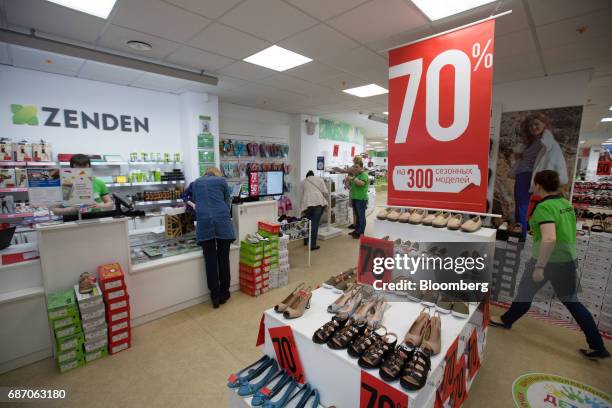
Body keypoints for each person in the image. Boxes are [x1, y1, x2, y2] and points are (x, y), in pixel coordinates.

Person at [490, 170, 610, 359]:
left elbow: (550, 238)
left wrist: (540, 267)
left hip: (546, 261)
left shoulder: (544, 207)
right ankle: (597, 346)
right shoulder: (565, 204)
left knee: (524, 294)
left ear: (538, 185)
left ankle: (505, 320)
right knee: (573, 303)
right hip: (566, 261)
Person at [183, 167, 235, 309]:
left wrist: (195, 206)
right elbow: (227, 202)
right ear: (216, 173)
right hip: (222, 222)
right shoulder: (222, 182)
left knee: (210, 260)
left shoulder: (195, 183)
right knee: (223, 258)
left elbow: (184, 196)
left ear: (205, 173)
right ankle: (225, 292)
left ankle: (215, 296)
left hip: (204, 222)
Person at [510, 120, 543, 240]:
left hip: (526, 176)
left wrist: (521, 154)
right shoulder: (529, 144)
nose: (522, 137)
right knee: (520, 204)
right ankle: (518, 233)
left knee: (522, 205)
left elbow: (528, 158)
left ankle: (521, 236)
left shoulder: (537, 143)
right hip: (522, 175)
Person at [300, 170, 328, 250]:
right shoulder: (319, 179)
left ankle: (305, 241)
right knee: (315, 224)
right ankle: (312, 245)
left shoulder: (303, 182)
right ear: (313, 175)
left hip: (307, 204)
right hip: (318, 203)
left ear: (307, 176)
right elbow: (325, 192)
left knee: (306, 223)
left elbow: (301, 194)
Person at [348, 159, 369, 239]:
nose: (355, 169)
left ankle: (361, 233)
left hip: (361, 199)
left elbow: (361, 184)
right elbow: (351, 186)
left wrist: (354, 179)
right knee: (357, 216)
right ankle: (356, 230)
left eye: (357, 167)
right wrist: (348, 181)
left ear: (361, 167)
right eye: (354, 167)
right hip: (355, 198)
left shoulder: (363, 174)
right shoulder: (356, 175)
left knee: (361, 216)